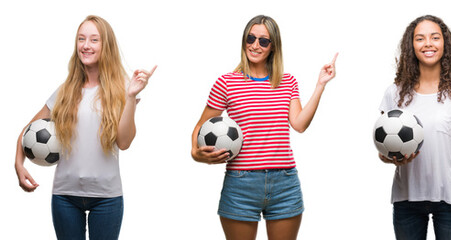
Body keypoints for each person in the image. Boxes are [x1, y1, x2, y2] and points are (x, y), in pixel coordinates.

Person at [189, 15, 338, 239]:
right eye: (250, 38)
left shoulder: (287, 81)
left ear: (273, 46)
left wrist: (320, 86)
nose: (255, 45)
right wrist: (196, 153)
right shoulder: (226, 83)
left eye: (263, 41)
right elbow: (202, 125)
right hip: (241, 183)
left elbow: (298, 124)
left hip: (285, 182)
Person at [13, 15, 155, 240]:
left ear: (106, 45)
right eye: (81, 39)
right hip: (65, 196)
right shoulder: (65, 90)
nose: (86, 45)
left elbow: (124, 142)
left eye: (94, 40)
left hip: (107, 197)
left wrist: (130, 98)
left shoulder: (123, 90)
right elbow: (29, 129)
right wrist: (18, 164)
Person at [376, 15, 451, 240]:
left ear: (445, 44)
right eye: (420, 38)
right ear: (411, 46)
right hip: (407, 199)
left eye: (435, 37)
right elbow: (384, 150)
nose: (428, 43)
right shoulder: (394, 92)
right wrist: (393, 158)